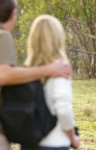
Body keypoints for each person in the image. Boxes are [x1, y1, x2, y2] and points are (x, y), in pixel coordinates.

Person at [0, 0, 71, 149]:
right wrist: (49, 69)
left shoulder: (28, 69)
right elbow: (4, 75)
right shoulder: (3, 37)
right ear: (13, 14)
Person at [22, 15, 80, 150]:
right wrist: (73, 138)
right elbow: (63, 110)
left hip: (30, 143)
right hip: (54, 143)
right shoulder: (60, 69)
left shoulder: (27, 71)